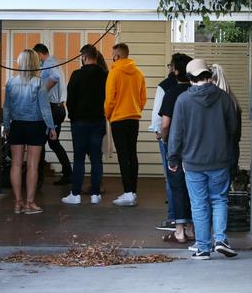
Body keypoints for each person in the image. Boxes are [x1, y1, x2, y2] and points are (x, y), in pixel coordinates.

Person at [167, 59, 238, 260]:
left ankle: (204, 248)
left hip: (193, 162)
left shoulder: (183, 100)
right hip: (220, 160)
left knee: (199, 204)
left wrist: (172, 158)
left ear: (190, 79)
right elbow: (233, 129)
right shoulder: (224, 98)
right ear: (208, 75)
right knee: (219, 200)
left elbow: (176, 133)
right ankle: (221, 239)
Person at [2, 49, 57, 215]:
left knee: (16, 164)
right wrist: (52, 127)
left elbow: (6, 108)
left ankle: (17, 203)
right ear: (34, 63)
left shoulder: (11, 82)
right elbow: (45, 108)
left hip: (17, 126)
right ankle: (29, 203)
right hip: (35, 126)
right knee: (33, 165)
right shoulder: (39, 83)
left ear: (20, 63)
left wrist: (6, 126)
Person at [61, 44, 109, 205]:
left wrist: (73, 117)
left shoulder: (76, 75)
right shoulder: (105, 75)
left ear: (84, 57)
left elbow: (70, 100)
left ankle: (75, 194)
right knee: (96, 158)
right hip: (98, 120)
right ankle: (95, 194)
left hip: (80, 122)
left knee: (79, 158)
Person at [104, 43, 147, 207]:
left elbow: (110, 100)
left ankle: (128, 193)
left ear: (118, 56)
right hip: (133, 118)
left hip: (118, 119)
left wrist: (108, 115)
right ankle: (133, 191)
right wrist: (135, 109)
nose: (111, 57)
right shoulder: (138, 74)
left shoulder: (114, 73)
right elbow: (143, 99)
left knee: (123, 156)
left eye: (113, 54)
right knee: (132, 154)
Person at [159, 53, 194, 244]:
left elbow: (165, 124)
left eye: (172, 66)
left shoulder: (172, 93)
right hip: (196, 148)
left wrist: (164, 139)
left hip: (176, 148)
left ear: (177, 70)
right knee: (194, 188)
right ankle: (191, 228)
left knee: (177, 187)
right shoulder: (197, 92)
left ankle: (179, 230)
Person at [32, 43, 73, 186]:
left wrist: (43, 89)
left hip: (52, 109)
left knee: (41, 143)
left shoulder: (49, 64)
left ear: (39, 53)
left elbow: (54, 77)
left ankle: (38, 179)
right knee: (53, 143)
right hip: (58, 108)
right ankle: (68, 173)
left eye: (35, 56)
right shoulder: (54, 62)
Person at [149, 60, 177, 230]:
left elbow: (158, 114)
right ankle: (186, 220)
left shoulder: (165, 86)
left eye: (169, 65)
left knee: (170, 176)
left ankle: (173, 217)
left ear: (173, 68)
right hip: (188, 138)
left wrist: (159, 132)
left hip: (169, 136)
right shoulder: (191, 87)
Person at [210, 64, 242, 180]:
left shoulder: (214, 103)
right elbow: (236, 134)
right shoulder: (233, 101)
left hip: (214, 157)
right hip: (231, 153)